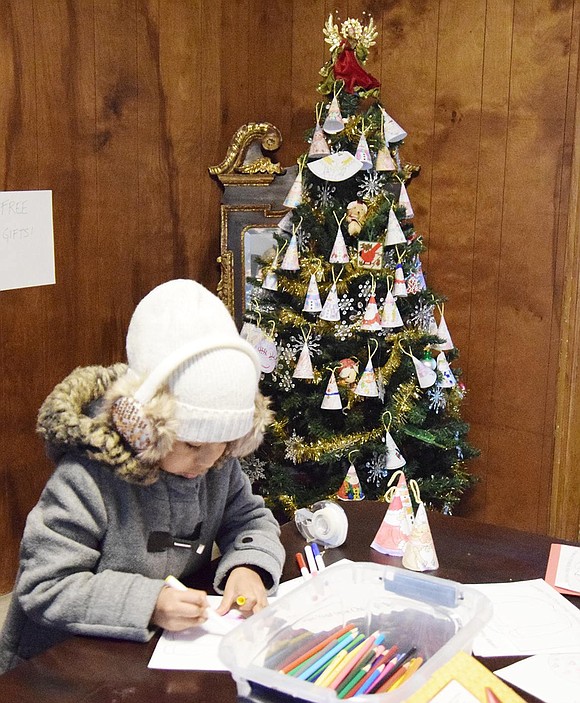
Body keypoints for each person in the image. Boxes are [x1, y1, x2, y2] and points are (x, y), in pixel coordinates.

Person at [0, 279, 285, 674]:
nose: (207, 459)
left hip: (148, 658)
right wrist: (148, 602)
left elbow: (249, 519)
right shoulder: (86, 477)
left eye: (223, 442)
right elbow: (44, 586)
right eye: (190, 444)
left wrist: (248, 566)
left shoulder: (217, 461)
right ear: (143, 424)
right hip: (57, 666)